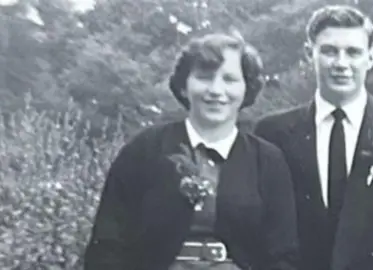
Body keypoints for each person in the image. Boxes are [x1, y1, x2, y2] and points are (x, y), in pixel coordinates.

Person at [83, 32, 299, 270]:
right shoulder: (144, 150)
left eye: (229, 79)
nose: (216, 90)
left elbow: (284, 256)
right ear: (184, 86)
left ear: (246, 89)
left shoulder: (268, 161)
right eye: (204, 78)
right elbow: (107, 247)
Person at [254, 5, 373, 270]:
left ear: (371, 57)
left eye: (353, 52)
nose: (341, 63)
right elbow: (263, 236)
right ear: (310, 54)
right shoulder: (272, 132)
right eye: (329, 51)